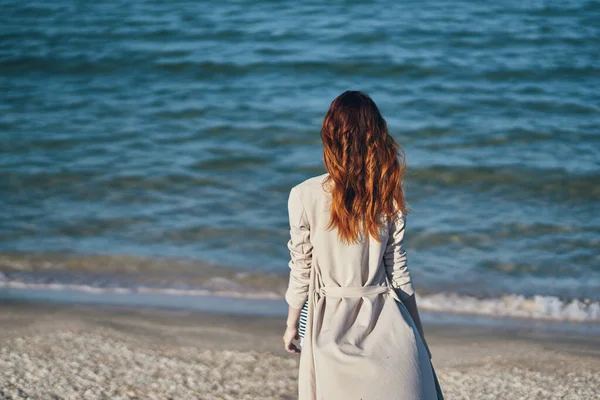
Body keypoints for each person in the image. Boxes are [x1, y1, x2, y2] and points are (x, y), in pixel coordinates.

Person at [282, 91, 443, 399]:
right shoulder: (389, 194)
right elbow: (397, 270)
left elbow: (301, 270)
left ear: (330, 135)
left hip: (326, 321)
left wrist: (291, 326)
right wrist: (417, 334)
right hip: (384, 318)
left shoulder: (303, 194)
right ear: (377, 135)